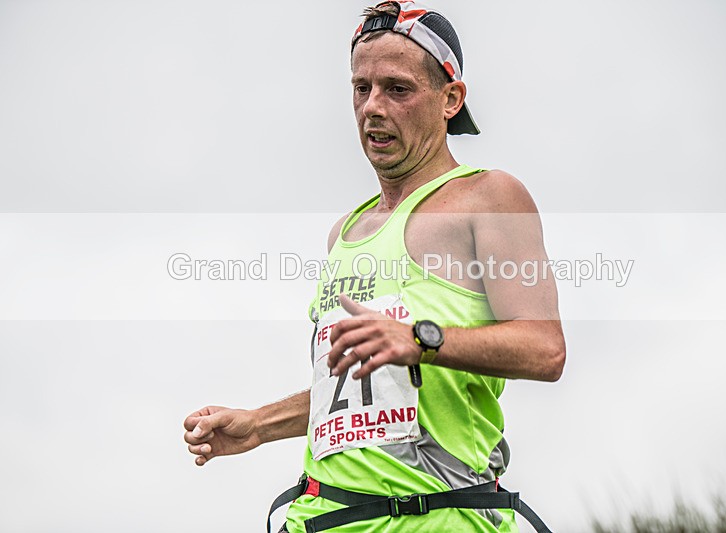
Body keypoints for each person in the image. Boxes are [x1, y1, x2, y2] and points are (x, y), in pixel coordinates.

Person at [183, 2, 566, 531]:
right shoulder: (344, 232)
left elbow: (546, 349)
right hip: (320, 518)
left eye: (398, 89)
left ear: (450, 98)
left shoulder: (488, 196)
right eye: (361, 88)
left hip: (439, 519)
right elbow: (365, 385)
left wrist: (422, 339)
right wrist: (258, 426)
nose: (373, 108)